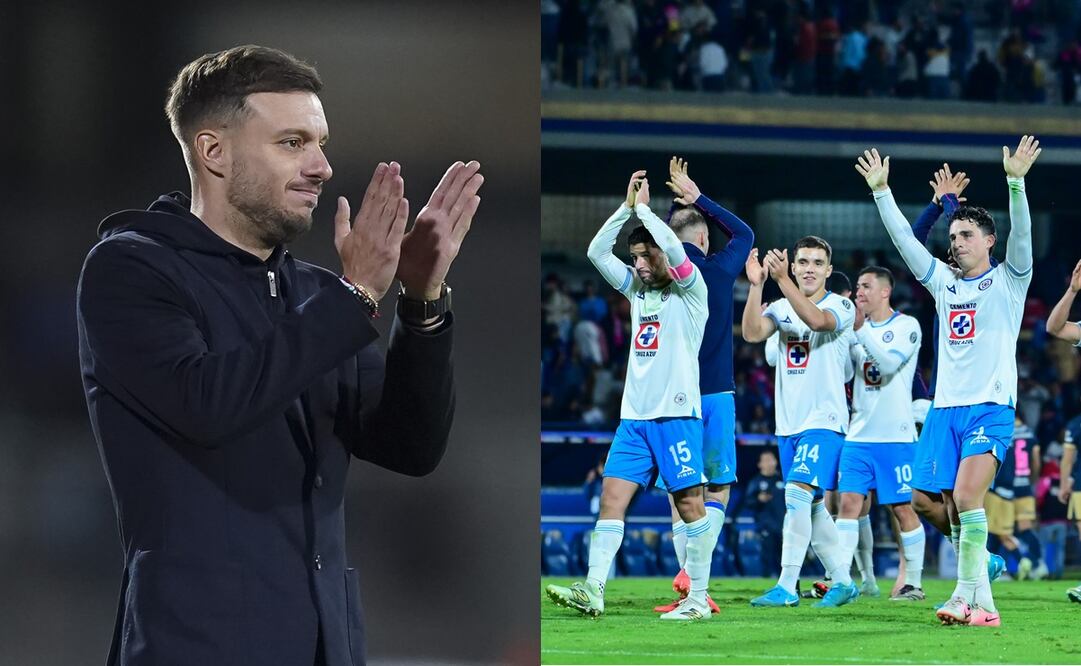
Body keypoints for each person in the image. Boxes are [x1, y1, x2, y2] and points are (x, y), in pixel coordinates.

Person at [76, 45, 483, 666]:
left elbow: (410, 446)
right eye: (292, 143)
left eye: (320, 143)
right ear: (213, 151)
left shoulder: (320, 296)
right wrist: (356, 297)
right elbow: (207, 405)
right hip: (195, 646)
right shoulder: (132, 269)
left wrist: (421, 302)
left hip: (326, 644)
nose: (321, 166)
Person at [856, 135, 1041, 627]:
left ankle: (963, 595)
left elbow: (1021, 236)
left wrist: (1016, 184)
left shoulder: (1009, 280)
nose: (955, 242)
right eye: (953, 235)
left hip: (989, 407)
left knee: (964, 500)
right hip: (944, 410)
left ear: (988, 242)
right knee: (923, 502)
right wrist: (882, 192)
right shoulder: (943, 282)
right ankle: (987, 601)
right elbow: (905, 242)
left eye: (965, 235)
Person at [546, 171, 717, 621]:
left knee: (689, 505)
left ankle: (698, 599)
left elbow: (676, 253)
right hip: (634, 419)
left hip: (677, 416)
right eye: (635, 256)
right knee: (611, 499)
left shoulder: (691, 289)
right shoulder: (637, 291)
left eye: (645, 256)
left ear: (664, 253)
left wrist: (646, 211)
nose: (639, 264)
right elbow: (595, 252)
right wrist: (626, 210)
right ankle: (594, 588)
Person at [652, 157, 754, 614]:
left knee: (681, 493)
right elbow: (746, 235)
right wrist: (702, 200)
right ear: (705, 238)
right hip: (717, 393)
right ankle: (697, 580)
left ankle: (695, 581)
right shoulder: (717, 270)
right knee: (717, 490)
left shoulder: (659, 279)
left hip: (673, 397)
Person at [742, 236, 856, 608]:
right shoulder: (780, 305)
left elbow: (818, 321)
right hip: (788, 423)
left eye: (817, 263)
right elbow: (752, 333)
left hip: (824, 420)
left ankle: (787, 585)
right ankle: (843, 581)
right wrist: (757, 285)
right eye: (803, 261)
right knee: (812, 505)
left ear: (828, 269)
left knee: (795, 495)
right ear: (794, 266)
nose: (809, 268)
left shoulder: (841, 305)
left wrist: (782, 282)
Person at [833, 267, 927, 603]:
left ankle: (912, 583)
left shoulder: (906, 327)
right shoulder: (858, 330)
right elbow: (846, 373)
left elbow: (886, 365)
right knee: (848, 505)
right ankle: (842, 581)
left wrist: (859, 331)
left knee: (903, 509)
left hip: (896, 437)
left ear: (885, 292)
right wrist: (848, 336)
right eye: (857, 286)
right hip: (858, 436)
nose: (859, 292)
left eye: (866, 286)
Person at [743, 449, 787, 577]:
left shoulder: (782, 479)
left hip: (784, 525)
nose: (769, 463)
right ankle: (766, 580)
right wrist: (758, 499)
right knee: (767, 556)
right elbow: (748, 502)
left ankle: (785, 583)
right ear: (760, 464)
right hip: (765, 525)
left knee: (784, 557)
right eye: (765, 460)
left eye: (771, 459)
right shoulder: (755, 482)